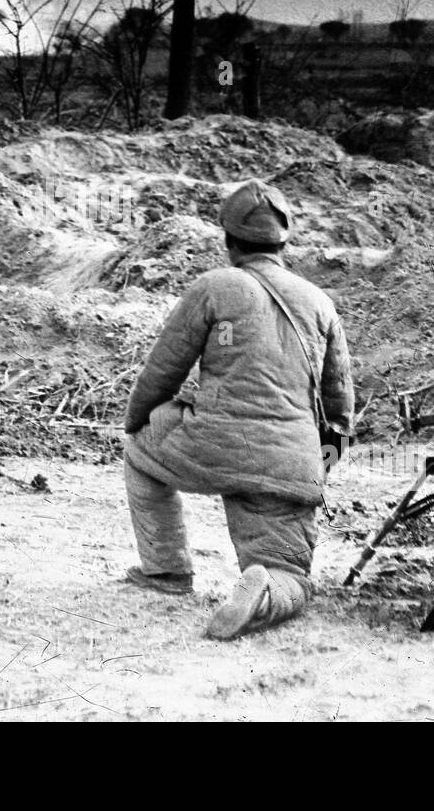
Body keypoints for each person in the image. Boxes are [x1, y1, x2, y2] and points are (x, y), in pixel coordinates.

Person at [121, 179, 354, 641]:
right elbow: (340, 403)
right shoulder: (320, 302)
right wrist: (319, 461)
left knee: (138, 456)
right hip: (290, 459)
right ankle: (267, 588)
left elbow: (163, 371)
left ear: (229, 241)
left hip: (209, 444)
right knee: (291, 572)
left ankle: (166, 571)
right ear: (285, 241)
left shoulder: (214, 287)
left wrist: (138, 423)